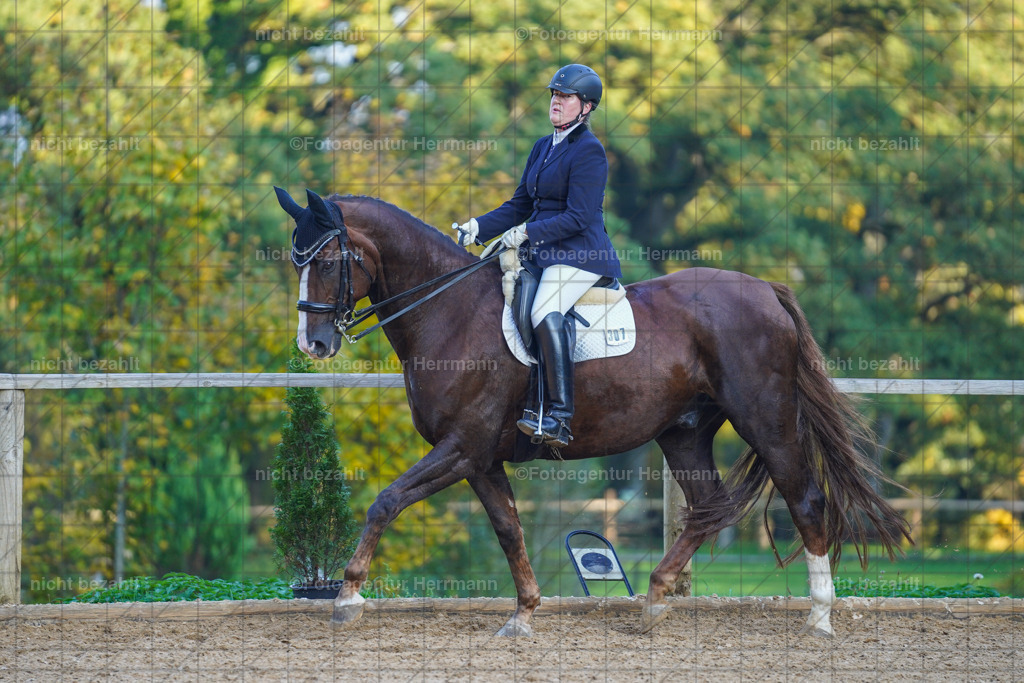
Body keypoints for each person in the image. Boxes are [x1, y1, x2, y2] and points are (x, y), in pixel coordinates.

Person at [454, 64, 622, 448]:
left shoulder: (590, 152)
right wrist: (478, 226)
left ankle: (559, 416)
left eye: (565, 97)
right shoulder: (543, 147)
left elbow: (579, 216)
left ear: (587, 107)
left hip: (582, 253)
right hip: (545, 250)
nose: (556, 102)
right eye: (554, 95)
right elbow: (520, 204)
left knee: (543, 310)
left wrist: (527, 231)